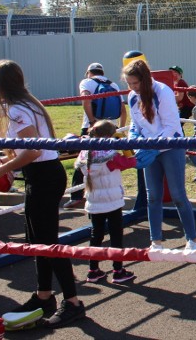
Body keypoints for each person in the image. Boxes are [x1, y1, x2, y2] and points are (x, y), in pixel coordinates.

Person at [0, 60, 87, 328]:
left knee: (48, 243)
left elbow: (33, 150)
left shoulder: (19, 109)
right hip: (41, 176)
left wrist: (2, 169)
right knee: (39, 242)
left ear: (0, 84)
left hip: (43, 177)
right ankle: (44, 296)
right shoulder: (29, 104)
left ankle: (73, 303)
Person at [123, 59, 196, 250]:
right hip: (149, 148)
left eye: (135, 83)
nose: (132, 87)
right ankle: (155, 240)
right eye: (129, 84)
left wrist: (154, 147)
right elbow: (136, 123)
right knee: (153, 196)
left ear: (145, 79)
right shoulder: (133, 96)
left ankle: (192, 240)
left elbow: (172, 126)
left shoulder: (163, 92)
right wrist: (134, 136)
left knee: (178, 195)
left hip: (171, 147)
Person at [74, 120, 136, 285]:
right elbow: (131, 161)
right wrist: (124, 144)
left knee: (96, 235)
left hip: (94, 200)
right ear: (110, 136)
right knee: (116, 235)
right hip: (112, 201)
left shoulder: (86, 154)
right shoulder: (111, 156)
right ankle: (118, 270)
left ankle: (93, 269)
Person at [66, 62, 127, 210]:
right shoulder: (113, 85)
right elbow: (123, 109)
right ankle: (110, 196)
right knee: (109, 160)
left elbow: (85, 100)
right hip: (111, 128)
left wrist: (92, 121)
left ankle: (76, 196)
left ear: (89, 72)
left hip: (92, 128)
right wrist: (120, 127)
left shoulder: (87, 82)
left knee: (84, 160)